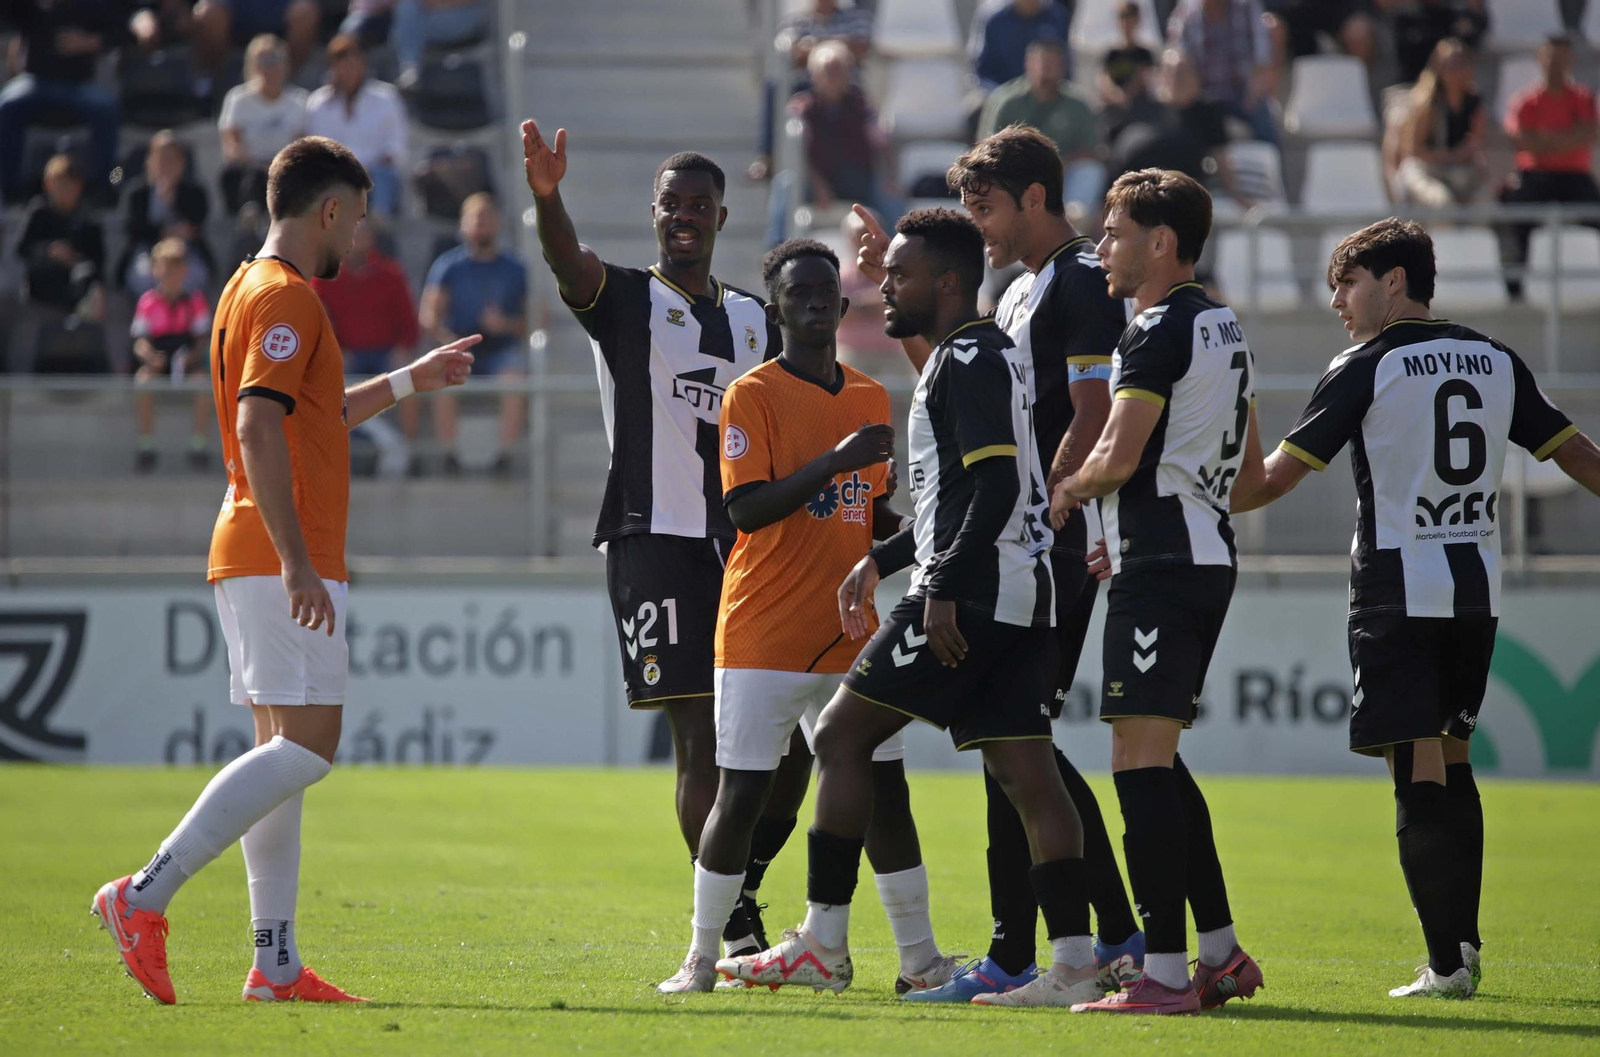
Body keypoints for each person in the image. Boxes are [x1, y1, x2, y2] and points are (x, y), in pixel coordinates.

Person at [89, 135, 479, 1006]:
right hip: (279, 550)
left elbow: (313, 413)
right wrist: (300, 560)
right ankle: (142, 894)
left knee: (280, 752)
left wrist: (411, 381)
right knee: (309, 747)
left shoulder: (245, 287)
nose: (360, 239)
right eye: (359, 219)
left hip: (255, 545)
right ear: (329, 210)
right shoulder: (289, 297)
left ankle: (274, 963)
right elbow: (261, 428)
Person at [720, 209, 1102, 1009]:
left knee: (839, 733)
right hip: (1021, 591)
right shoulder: (979, 354)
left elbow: (995, 488)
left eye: (899, 274)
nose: (881, 286)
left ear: (950, 283)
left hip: (979, 594)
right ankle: (1074, 962)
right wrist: (884, 558)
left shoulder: (966, 356)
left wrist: (936, 586)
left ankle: (825, 940)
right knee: (1027, 771)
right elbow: (957, 501)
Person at [1228, 217, 1600, 999]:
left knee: (1414, 770)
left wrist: (1217, 444)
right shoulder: (1495, 357)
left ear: (1394, 281)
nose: (1336, 300)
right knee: (1452, 757)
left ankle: (1446, 963)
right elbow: (1575, 454)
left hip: (1397, 591)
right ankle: (1461, 946)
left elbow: (1267, 484)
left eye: (1348, 282)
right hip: (1477, 593)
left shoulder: (1366, 363)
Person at [847, 127, 1143, 1003]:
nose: (977, 225)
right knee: (1015, 744)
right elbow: (956, 389)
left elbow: (1091, 409)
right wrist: (891, 289)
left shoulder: (1083, 280)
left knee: (1022, 747)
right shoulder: (1017, 292)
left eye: (986, 207)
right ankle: (1069, 943)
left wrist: (1049, 511)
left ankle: (1074, 944)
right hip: (1012, 543)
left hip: (1044, 545)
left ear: (1035, 199)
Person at [658, 239, 959, 996]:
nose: (817, 300)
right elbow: (746, 508)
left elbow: (865, 509)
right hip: (761, 629)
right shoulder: (750, 395)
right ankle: (700, 958)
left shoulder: (868, 394)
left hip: (849, 634)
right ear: (775, 306)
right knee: (744, 794)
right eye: (799, 290)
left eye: (828, 288)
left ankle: (919, 960)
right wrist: (834, 459)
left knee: (886, 791)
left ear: (843, 301)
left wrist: (909, 534)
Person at [521, 120, 787, 957]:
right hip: (654, 538)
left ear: (721, 217)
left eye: (699, 205)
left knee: (788, 740)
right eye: (672, 203)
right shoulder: (629, 299)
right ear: (654, 214)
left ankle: (741, 886)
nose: (685, 216)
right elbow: (569, 264)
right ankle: (735, 925)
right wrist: (546, 197)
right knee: (699, 734)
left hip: (745, 548)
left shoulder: (753, 319)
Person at [1048, 169, 1264, 1015]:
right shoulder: (1226, 326)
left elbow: (1121, 451)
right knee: (1159, 764)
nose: (1103, 245)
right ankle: (1219, 954)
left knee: (1136, 767)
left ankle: (1165, 975)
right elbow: (1246, 474)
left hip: (1164, 567)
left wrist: (1070, 492)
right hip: (1201, 553)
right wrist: (1132, 519)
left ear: (1161, 242)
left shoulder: (1154, 329)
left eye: (1114, 229)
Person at [420, 193, 528, 476]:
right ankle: (450, 456)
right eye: (475, 219)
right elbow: (429, 316)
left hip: (500, 350)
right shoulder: (448, 266)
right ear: (463, 225)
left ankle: (504, 457)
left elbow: (533, 321)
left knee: (515, 377)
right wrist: (449, 342)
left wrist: (503, 324)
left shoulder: (515, 269)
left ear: (498, 224)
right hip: (459, 345)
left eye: (487, 219)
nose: (481, 226)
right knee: (442, 377)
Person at [311, 217, 421, 470]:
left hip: (386, 355)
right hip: (346, 356)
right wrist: (336, 352)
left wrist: (402, 350)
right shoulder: (324, 279)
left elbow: (409, 325)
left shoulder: (391, 274)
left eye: (362, 234)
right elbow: (318, 323)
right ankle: (331, 460)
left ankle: (411, 454)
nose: (355, 239)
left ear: (372, 239)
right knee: (326, 384)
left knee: (410, 378)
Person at [1497, 35, 1600, 300]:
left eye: (1561, 58)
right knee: (1514, 214)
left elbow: (1588, 133)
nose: (1556, 65)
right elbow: (1522, 141)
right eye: (1551, 58)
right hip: (1535, 176)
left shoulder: (1584, 98)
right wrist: (1567, 138)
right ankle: (1515, 290)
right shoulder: (1525, 101)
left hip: (1575, 176)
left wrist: (1545, 140)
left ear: (1570, 61)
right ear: (1540, 61)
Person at [0, 1, 123, 205]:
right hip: (36, 82)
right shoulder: (31, 6)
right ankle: (11, 188)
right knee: (7, 105)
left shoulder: (92, 6)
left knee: (108, 109)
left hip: (78, 85)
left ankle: (105, 185)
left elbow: (123, 33)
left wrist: (92, 41)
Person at [977, 34, 1104, 215]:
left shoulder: (1078, 104)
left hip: (1063, 174)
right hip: (1016, 176)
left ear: (1063, 66)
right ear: (1028, 63)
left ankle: (1075, 223)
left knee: (1091, 171)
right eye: (1043, 61)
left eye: (1053, 62)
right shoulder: (1006, 101)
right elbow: (986, 148)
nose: (1047, 68)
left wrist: (1055, 166)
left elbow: (1092, 150)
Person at [131, 238, 213, 473]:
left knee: (202, 382)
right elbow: (140, 341)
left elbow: (201, 340)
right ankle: (146, 445)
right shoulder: (147, 302)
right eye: (165, 267)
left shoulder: (196, 302)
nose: (171, 274)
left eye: (176, 267)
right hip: (158, 364)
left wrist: (189, 359)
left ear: (185, 271)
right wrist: (150, 358)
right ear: (156, 270)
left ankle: (198, 445)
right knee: (142, 380)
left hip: (187, 365)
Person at [791, 41, 897, 221]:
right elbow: (796, 154)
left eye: (838, 70)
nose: (833, 77)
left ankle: (893, 244)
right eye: (827, 71)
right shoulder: (801, 109)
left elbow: (882, 143)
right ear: (814, 75)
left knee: (889, 195)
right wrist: (819, 185)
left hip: (855, 179)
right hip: (816, 180)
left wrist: (890, 178)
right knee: (785, 184)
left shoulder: (863, 105)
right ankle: (777, 244)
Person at [306, 35, 408, 216]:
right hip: (335, 177)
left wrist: (365, 170)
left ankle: (378, 222)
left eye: (354, 63)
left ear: (363, 64)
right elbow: (315, 149)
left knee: (384, 176)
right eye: (342, 64)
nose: (349, 70)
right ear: (332, 68)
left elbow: (396, 146)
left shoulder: (386, 98)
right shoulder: (317, 103)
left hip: (375, 176)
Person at [218, 35, 308, 218]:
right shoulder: (237, 99)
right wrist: (258, 164)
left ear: (285, 65)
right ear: (252, 66)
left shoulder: (300, 101)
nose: (270, 69)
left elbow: (301, 146)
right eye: (263, 62)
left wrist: (276, 165)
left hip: (286, 168)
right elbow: (231, 146)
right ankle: (249, 217)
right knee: (242, 177)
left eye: (274, 61)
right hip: (249, 167)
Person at [1166, 0, 1278, 146]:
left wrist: (1254, 92)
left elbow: (1263, 58)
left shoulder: (1247, 7)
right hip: (1201, 97)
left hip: (1242, 93)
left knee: (1265, 124)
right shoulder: (1185, 11)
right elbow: (1173, 53)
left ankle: (1274, 164)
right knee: (1177, 130)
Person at [1391, 37, 1484, 209]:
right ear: (1439, 69)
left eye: (1461, 65)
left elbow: (1474, 144)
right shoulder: (1427, 103)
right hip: (1423, 169)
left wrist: (1463, 155)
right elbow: (1413, 151)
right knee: (1442, 202)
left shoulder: (1473, 102)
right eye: (1451, 66)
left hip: (1456, 170)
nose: (1457, 71)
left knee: (1485, 203)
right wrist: (1451, 156)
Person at [119, 131, 214, 298]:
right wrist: (163, 232)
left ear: (182, 163)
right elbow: (133, 229)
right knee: (142, 278)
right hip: (148, 250)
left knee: (195, 277)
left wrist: (173, 202)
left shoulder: (196, 191)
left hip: (185, 250)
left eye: (171, 159)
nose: (166, 165)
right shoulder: (136, 193)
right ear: (149, 162)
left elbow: (197, 223)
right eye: (160, 159)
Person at [18, 153, 105, 321]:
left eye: (69, 184)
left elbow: (99, 259)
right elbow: (22, 249)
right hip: (44, 278)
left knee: (86, 278)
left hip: (75, 280)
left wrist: (74, 257)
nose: (64, 189)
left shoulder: (89, 218)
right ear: (48, 185)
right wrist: (49, 251)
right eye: (59, 183)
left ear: (79, 186)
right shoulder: (39, 213)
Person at [193, 0, 320, 78]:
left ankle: (284, 81)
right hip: (235, 9)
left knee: (305, 13)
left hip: (279, 9)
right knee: (207, 13)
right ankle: (208, 83)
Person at [969, 0, 1073, 92]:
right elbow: (980, 72)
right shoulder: (993, 18)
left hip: (1047, 96)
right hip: (999, 93)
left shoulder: (1057, 16)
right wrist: (1002, 96)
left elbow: (1066, 67)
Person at [1099, 2, 1157, 110]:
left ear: (1137, 21)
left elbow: (1143, 78)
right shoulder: (1112, 54)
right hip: (1114, 108)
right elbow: (1105, 79)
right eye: (1123, 18)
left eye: (1130, 17)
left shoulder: (1144, 54)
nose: (1126, 23)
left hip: (1140, 107)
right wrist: (1116, 95)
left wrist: (1126, 95)